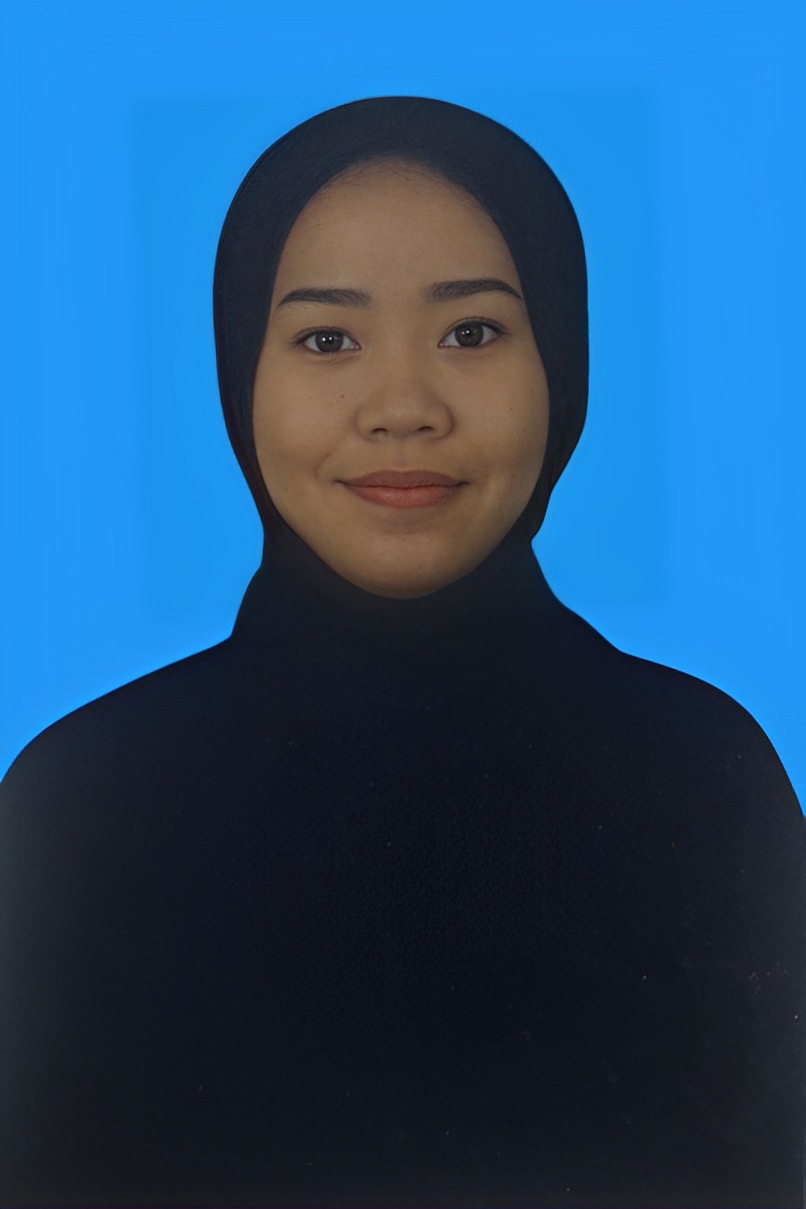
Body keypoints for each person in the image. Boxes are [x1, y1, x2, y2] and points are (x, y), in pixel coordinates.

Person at [0, 96, 802, 1208]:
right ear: (239, 374)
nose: (403, 408)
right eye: (327, 339)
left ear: (561, 362)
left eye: (471, 333)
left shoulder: (704, 777)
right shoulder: (78, 802)